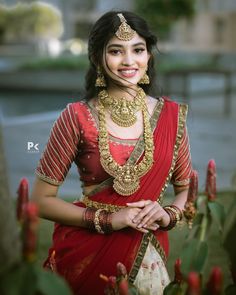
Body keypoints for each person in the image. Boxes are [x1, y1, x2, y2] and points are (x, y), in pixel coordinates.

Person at [32, 10, 192, 295]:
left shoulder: (171, 116)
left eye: (138, 50)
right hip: (88, 256)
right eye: (116, 51)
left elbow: (187, 193)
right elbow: (40, 202)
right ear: (97, 58)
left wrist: (165, 214)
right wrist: (108, 219)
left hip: (147, 259)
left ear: (149, 56)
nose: (129, 61)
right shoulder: (76, 117)